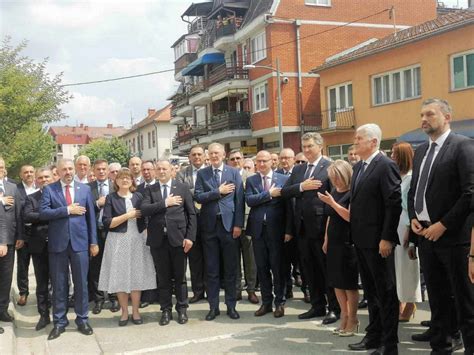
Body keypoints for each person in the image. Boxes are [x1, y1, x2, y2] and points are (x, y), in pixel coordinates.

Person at [407, 98, 474, 354]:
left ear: (447, 117)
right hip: (425, 236)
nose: (424, 119)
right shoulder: (422, 151)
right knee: (437, 299)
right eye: (422, 115)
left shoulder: (463, 146)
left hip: (454, 239)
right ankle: (441, 346)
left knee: (464, 301)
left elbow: (469, 194)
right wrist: (415, 215)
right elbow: (415, 190)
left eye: (430, 114)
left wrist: (443, 224)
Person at [347, 124, 401, 354]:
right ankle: (373, 337)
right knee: (371, 294)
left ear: (374, 142)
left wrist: (387, 238)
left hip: (378, 242)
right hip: (361, 241)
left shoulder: (386, 165)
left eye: (360, 139)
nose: (355, 142)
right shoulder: (359, 166)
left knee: (386, 294)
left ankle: (389, 345)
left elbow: (393, 204)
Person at [281, 132, 340, 325]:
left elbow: (335, 198)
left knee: (326, 269)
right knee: (309, 270)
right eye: (304, 147)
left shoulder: (330, 167)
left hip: (322, 227)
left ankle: (334, 308)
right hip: (303, 229)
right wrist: (302, 187)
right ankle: (317, 305)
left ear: (320, 146)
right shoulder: (299, 170)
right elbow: (285, 192)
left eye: (310, 146)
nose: (306, 150)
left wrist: (330, 231)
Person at [39, 158, 98, 340]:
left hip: (80, 244)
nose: (68, 172)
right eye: (64, 169)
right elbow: (43, 213)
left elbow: (91, 220)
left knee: (81, 283)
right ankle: (59, 322)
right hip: (58, 245)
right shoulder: (50, 189)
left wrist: (93, 242)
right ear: (58, 171)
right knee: (59, 285)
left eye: (70, 168)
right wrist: (67, 210)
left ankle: (82, 319)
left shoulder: (85, 189)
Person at [141, 160, 196, 325]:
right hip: (158, 241)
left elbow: (191, 214)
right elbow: (144, 209)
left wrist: (190, 237)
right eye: (159, 169)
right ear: (155, 172)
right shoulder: (150, 190)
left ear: (172, 171)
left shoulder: (182, 188)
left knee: (180, 277)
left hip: (178, 239)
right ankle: (165, 310)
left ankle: (182, 309)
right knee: (163, 277)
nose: (162, 171)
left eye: (165, 168)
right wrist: (164, 203)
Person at [99, 168, 156, 326]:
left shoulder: (139, 196)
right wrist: (127, 216)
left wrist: (146, 233)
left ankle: (136, 311)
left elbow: (145, 218)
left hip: (137, 239)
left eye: (128, 178)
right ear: (116, 181)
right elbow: (107, 222)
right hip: (118, 240)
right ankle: (124, 312)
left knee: (136, 275)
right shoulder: (111, 198)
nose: (125, 180)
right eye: (121, 178)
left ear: (132, 181)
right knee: (120, 276)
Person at [195, 142, 245, 321]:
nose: (214, 156)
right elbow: (198, 196)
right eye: (211, 153)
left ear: (223, 155)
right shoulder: (202, 173)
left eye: (217, 153)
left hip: (229, 227)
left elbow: (240, 200)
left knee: (231, 269)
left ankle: (231, 306)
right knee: (212, 270)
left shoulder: (233, 172)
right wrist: (218, 191)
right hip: (209, 227)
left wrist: (238, 224)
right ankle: (213, 307)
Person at [245, 150, 292, 318]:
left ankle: (280, 302)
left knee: (277, 268)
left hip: (277, 231)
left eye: (265, 161)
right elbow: (250, 200)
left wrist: (288, 230)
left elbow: (289, 208)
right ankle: (266, 302)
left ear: (273, 162)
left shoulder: (284, 180)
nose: (262, 164)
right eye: (259, 161)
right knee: (262, 268)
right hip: (258, 231)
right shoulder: (251, 180)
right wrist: (268, 194)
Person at [318, 160, 359, 337]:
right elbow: (329, 218)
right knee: (336, 281)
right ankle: (344, 314)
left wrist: (333, 203)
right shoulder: (335, 191)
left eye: (337, 178)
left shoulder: (352, 192)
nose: (335, 182)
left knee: (348, 282)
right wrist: (326, 238)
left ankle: (353, 318)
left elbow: (351, 217)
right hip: (333, 241)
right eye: (332, 178)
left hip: (347, 242)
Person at [390, 142, 421, 322]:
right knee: (396, 268)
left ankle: (410, 304)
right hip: (395, 224)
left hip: (405, 225)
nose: (392, 156)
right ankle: (401, 301)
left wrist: (409, 231)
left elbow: (411, 207)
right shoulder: (396, 177)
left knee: (408, 268)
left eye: (394, 153)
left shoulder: (410, 178)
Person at [23, 167, 53, 330]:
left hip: (57, 245)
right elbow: (27, 215)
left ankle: (59, 315)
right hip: (39, 247)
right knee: (41, 284)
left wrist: (40, 215)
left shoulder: (59, 195)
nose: (44, 180)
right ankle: (43, 315)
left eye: (47, 177)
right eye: (40, 178)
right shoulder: (31, 198)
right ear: (36, 180)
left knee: (59, 282)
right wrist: (49, 214)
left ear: (52, 178)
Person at [88, 160, 119, 315]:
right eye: (98, 169)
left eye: (104, 169)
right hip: (95, 232)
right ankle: (99, 299)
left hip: (113, 231)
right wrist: (96, 203)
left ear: (108, 171)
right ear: (94, 170)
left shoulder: (116, 186)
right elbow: (85, 209)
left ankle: (114, 297)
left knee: (113, 265)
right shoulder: (87, 188)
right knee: (96, 266)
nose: (101, 171)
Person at [176, 145, 207, 303]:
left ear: (204, 155)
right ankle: (198, 290)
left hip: (208, 219)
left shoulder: (210, 172)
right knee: (194, 258)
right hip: (190, 220)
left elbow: (213, 191)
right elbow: (181, 193)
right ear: (189, 157)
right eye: (193, 154)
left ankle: (211, 289)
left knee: (210, 257)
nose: (196, 157)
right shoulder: (182, 174)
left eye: (199, 154)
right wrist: (201, 192)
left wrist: (194, 192)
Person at [228, 149, 258, 304]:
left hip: (247, 223)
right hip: (229, 224)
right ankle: (236, 289)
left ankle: (251, 290)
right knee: (233, 259)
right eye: (232, 158)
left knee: (250, 259)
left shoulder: (251, 177)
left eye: (238, 158)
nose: (235, 161)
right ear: (228, 161)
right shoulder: (225, 177)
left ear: (243, 159)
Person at [276, 148, 303, 298]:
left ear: (293, 159)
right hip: (284, 223)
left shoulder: (300, 173)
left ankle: (306, 290)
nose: (285, 161)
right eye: (282, 158)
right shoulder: (276, 175)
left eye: (288, 158)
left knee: (303, 260)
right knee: (284, 260)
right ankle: (288, 289)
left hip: (300, 223)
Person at [0, 157, 24, 328]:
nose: (0, 169)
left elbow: (18, 215)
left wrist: (20, 236)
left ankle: (2, 310)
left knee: (6, 279)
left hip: (9, 241)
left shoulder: (12, 187)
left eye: (2, 166)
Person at [136, 160, 159, 307]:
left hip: (160, 230)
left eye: (149, 169)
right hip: (144, 231)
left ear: (154, 170)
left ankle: (161, 293)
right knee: (146, 264)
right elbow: (138, 210)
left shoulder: (160, 186)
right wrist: (142, 228)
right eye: (143, 170)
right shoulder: (138, 189)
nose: (146, 172)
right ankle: (148, 295)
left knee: (160, 264)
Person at [16, 164, 37, 307]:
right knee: (23, 265)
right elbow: (15, 216)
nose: (29, 174)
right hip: (22, 234)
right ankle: (23, 293)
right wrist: (19, 236)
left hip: (38, 234)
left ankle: (45, 293)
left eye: (31, 172)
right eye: (26, 172)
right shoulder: (15, 190)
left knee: (41, 265)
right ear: (21, 175)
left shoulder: (40, 188)